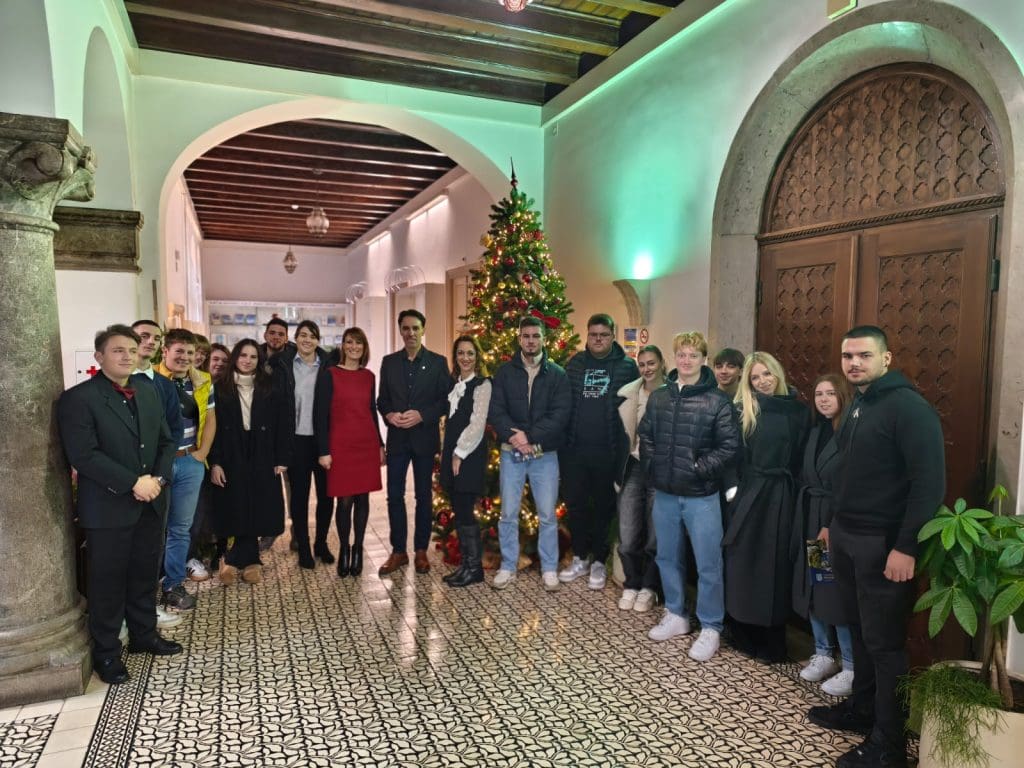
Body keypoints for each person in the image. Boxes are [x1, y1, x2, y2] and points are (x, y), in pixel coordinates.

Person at [808, 326, 945, 768]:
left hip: (883, 545)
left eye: (864, 355)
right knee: (860, 631)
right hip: (846, 536)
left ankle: (889, 745)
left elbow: (928, 485)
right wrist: (830, 524)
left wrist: (906, 547)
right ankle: (863, 709)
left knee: (885, 646)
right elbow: (846, 473)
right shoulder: (858, 404)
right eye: (848, 356)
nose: (854, 363)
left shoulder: (910, 409)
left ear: (886, 359)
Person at [57, 325, 181, 685]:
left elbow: (166, 440)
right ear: (99, 357)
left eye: (131, 349)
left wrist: (157, 481)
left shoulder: (148, 390)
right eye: (117, 350)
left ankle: (144, 635)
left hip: (151, 501)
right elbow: (84, 454)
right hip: (108, 507)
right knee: (107, 582)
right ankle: (107, 653)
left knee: (144, 574)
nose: (127, 356)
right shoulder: (78, 398)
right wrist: (133, 483)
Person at [638, 331, 739, 662]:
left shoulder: (717, 401)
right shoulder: (660, 397)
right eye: (681, 354)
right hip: (665, 493)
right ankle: (676, 613)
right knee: (667, 556)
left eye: (693, 355)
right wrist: (654, 467)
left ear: (703, 359)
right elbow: (646, 435)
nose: (686, 360)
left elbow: (729, 446)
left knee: (709, 563)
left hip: (701, 496)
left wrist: (697, 469)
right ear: (675, 358)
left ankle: (711, 626)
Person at [722, 352, 808, 663]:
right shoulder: (743, 409)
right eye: (755, 377)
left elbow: (801, 456)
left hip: (782, 495)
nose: (762, 381)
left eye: (767, 374)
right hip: (749, 493)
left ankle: (774, 638)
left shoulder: (799, 411)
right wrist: (732, 487)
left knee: (776, 566)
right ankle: (742, 631)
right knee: (743, 562)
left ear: (777, 373)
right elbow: (730, 453)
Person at [489, 316, 571, 591]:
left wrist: (530, 436)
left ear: (544, 339)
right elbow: (496, 410)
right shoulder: (504, 373)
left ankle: (549, 568)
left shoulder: (557, 374)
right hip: (511, 451)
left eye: (536, 336)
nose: (531, 341)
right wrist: (514, 437)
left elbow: (560, 415)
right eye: (526, 336)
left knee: (547, 514)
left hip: (543, 454)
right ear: (519, 339)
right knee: (508, 513)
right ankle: (508, 566)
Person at [559, 313, 639, 590]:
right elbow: (564, 403)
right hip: (575, 452)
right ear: (587, 335)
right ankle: (580, 557)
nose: (598, 339)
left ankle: (599, 562)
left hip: (609, 452)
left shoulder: (627, 366)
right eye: (593, 334)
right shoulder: (575, 364)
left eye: (604, 335)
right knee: (576, 506)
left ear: (613, 336)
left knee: (604, 508)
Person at [208, 340, 293, 584]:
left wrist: (282, 457)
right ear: (235, 357)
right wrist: (216, 462)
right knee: (235, 502)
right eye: (243, 355)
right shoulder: (220, 387)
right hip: (231, 450)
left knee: (257, 502)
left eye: (253, 357)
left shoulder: (270, 386)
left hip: (262, 450)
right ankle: (247, 559)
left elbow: (283, 422)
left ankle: (235, 560)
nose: (247, 360)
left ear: (259, 360)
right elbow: (213, 429)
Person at [794, 373, 855, 697]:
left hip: (834, 523)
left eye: (830, 393)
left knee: (834, 592)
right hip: (810, 516)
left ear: (843, 395)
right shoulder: (815, 431)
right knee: (815, 586)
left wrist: (830, 523)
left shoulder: (851, 433)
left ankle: (851, 665)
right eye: (819, 394)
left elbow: (850, 486)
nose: (824, 399)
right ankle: (823, 651)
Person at [377, 309, 451, 576]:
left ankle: (421, 550)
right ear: (400, 331)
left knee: (423, 496)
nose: (410, 333)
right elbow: (382, 400)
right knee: (394, 496)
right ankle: (399, 551)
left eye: (415, 328)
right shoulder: (389, 362)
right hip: (397, 440)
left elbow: (446, 401)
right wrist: (389, 415)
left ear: (423, 330)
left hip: (424, 439)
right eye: (406, 328)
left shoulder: (438, 363)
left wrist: (422, 415)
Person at [130, 320, 188, 627]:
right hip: (125, 482)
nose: (151, 342)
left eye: (156, 337)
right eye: (144, 336)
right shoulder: (118, 381)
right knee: (125, 552)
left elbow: (173, 433)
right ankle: (125, 614)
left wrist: (160, 476)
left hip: (156, 480)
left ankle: (147, 608)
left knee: (152, 546)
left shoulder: (164, 386)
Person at [314, 327, 383, 578]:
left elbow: (371, 411)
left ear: (364, 348)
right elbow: (320, 415)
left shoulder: (369, 377)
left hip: (366, 443)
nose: (354, 347)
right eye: (349, 342)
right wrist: (323, 450)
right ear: (343, 346)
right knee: (344, 502)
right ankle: (344, 548)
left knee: (363, 499)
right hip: (340, 446)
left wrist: (380, 445)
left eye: (358, 343)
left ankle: (358, 549)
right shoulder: (329, 375)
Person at [155, 328, 216, 611]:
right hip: (159, 464)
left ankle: (173, 584)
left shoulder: (203, 381)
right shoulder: (150, 380)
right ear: (165, 351)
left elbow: (211, 419)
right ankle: (148, 587)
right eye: (179, 351)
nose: (185, 357)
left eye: (190, 353)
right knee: (155, 528)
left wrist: (201, 454)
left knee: (181, 528)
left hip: (190, 461)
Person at [273, 320, 332, 568]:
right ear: (295, 338)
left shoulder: (327, 364)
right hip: (295, 440)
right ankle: (304, 547)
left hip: (323, 440)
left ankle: (321, 543)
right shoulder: (283, 364)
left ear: (318, 340)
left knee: (326, 496)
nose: (307, 340)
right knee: (299, 497)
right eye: (303, 335)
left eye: (312, 336)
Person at [615, 344, 665, 612]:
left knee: (656, 533)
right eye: (642, 364)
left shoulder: (672, 393)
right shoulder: (629, 394)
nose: (647, 369)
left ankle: (649, 587)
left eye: (651, 363)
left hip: (660, 469)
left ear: (662, 363)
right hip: (633, 466)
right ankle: (632, 583)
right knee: (628, 531)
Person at [438, 335, 492, 588]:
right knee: (458, 508)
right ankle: (466, 565)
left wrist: (459, 453)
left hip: (468, 455)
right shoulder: (455, 384)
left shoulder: (483, 385)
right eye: (461, 353)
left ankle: (475, 568)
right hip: (452, 452)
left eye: (470, 353)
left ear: (477, 356)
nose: (465, 358)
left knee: (465, 508)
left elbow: (477, 424)